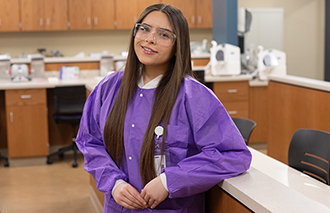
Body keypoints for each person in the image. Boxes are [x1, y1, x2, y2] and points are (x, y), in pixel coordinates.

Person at [76, 3, 252, 213]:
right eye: (144, 28)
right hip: (119, 208)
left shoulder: (193, 97)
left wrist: (170, 181)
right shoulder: (109, 89)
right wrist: (114, 183)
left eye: (164, 35)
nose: (150, 39)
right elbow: (90, 141)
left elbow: (233, 154)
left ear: (178, 46)